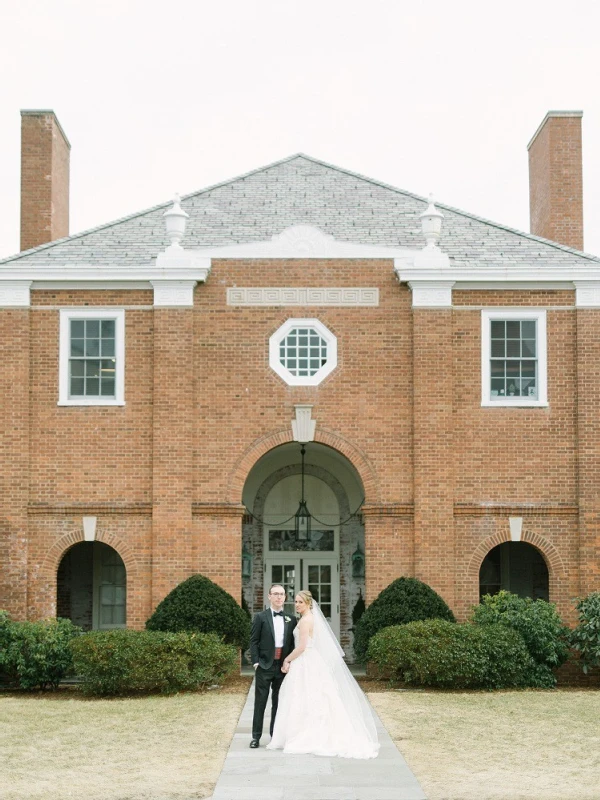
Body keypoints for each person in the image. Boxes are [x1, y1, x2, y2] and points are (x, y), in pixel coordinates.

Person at [267, 590, 379, 759]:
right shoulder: (309, 618)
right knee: (306, 696)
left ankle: (309, 735)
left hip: (306, 661)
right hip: (311, 660)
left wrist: (287, 660)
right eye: (295, 601)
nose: (296, 604)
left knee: (305, 696)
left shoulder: (306, 621)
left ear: (308, 603)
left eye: (300, 602)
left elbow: (302, 647)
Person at [249, 583, 297, 749]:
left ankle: (274, 735)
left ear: (285, 597)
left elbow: (293, 644)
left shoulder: (292, 619)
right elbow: (253, 641)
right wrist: (256, 662)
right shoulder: (261, 617)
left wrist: (290, 662)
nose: (278, 597)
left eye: (281, 594)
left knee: (279, 703)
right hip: (264, 665)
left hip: (282, 667)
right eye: (275, 594)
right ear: (269, 596)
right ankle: (255, 737)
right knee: (260, 702)